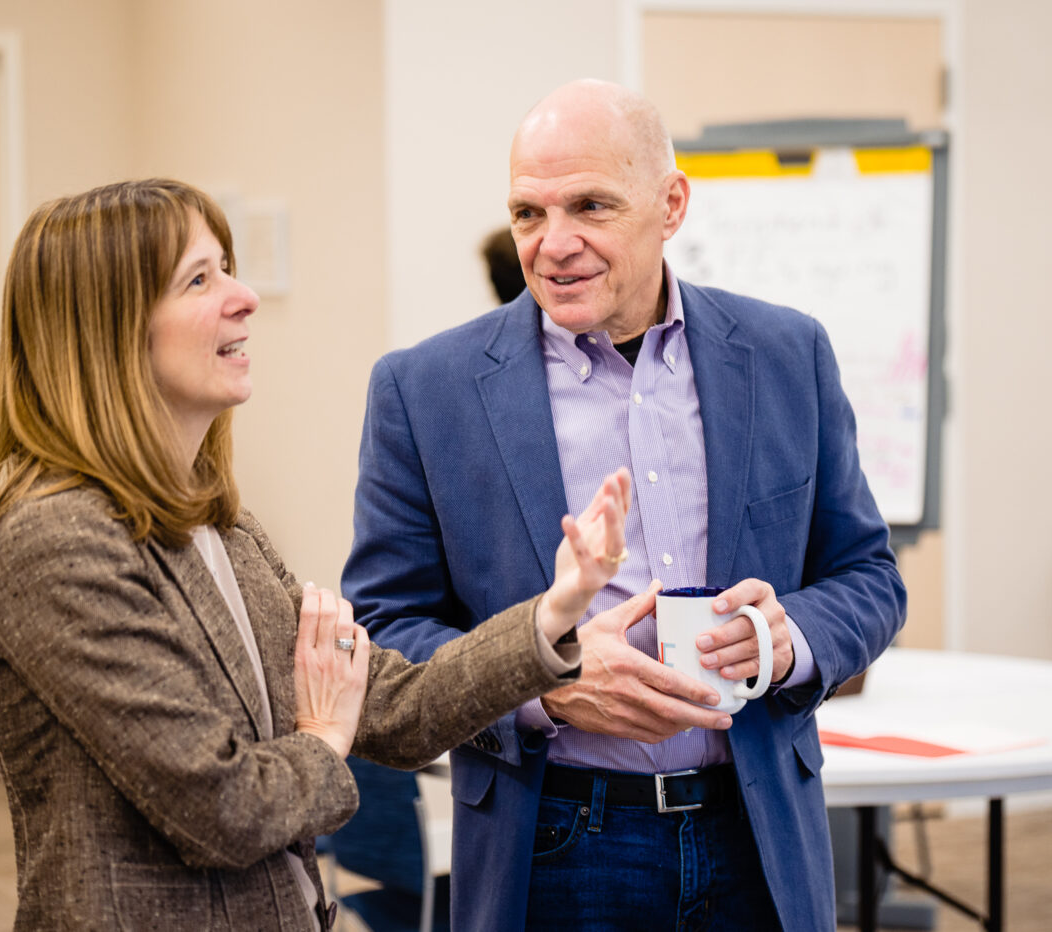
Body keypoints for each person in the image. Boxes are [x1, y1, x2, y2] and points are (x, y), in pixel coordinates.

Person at [0, 178, 635, 931]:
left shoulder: (222, 528)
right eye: (200, 279)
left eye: (228, 267)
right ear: (108, 332)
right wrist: (322, 739)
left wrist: (552, 618)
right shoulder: (55, 547)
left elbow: (390, 703)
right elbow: (224, 808)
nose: (245, 297)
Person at [343, 80, 907, 931]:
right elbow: (387, 629)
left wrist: (785, 641)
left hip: (758, 832)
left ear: (671, 204)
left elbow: (868, 576)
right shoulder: (425, 391)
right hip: (555, 839)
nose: (553, 244)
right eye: (528, 213)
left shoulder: (788, 355)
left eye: (591, 207)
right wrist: (542, 682)